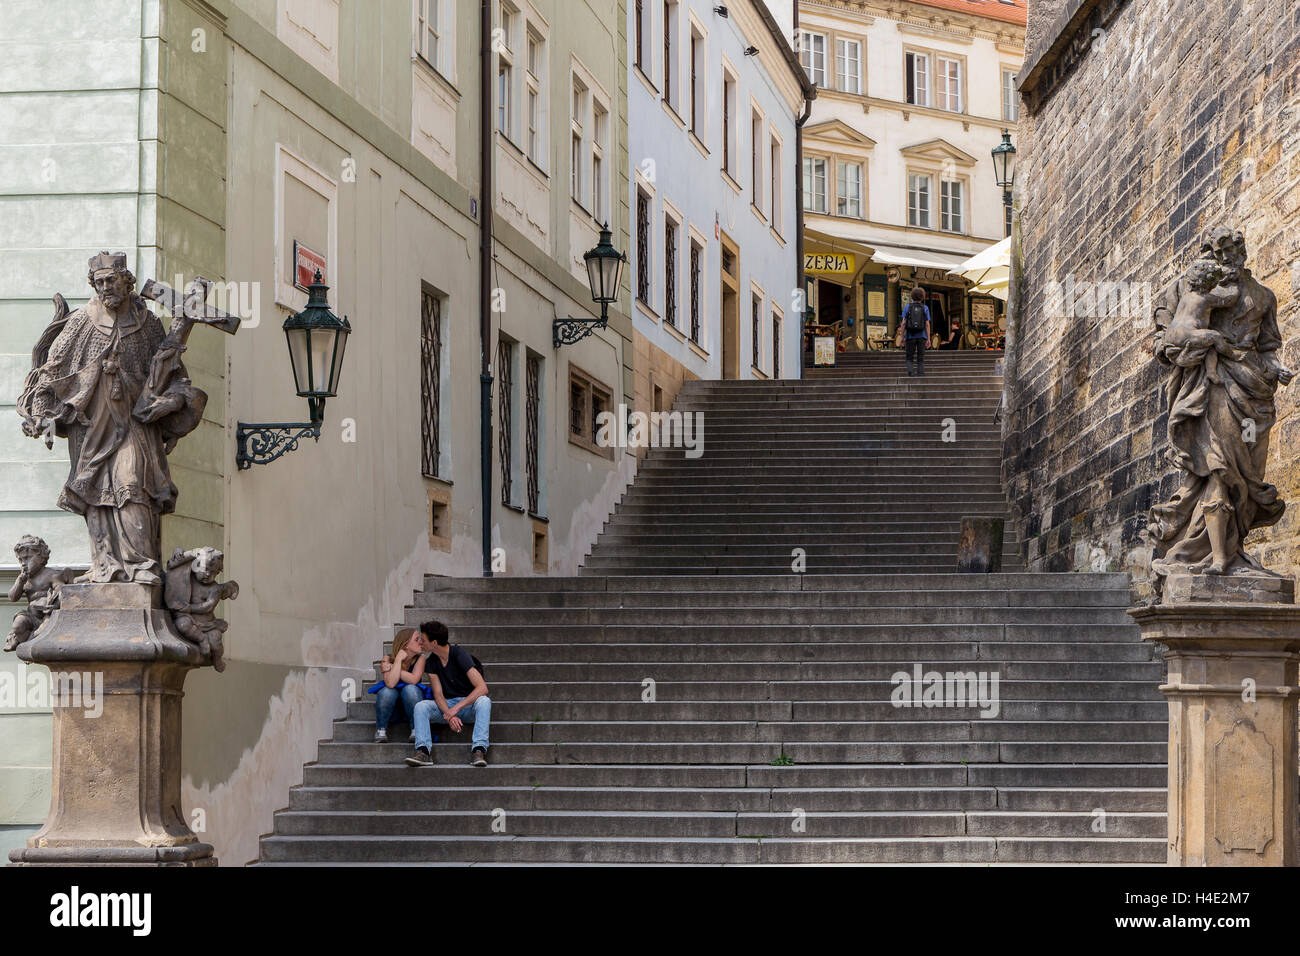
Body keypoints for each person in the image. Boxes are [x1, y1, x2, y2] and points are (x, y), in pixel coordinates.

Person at [404, 620, 492, 767]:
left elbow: (482, 688)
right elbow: (438, 694)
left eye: (423, 640)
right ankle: (423, 752)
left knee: (484, 701)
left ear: (434, 643)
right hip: (447, 705)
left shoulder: (459, 654)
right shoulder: (431, 662)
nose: (421, 643)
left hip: (468, 705)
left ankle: (479, 750)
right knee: (421, 706)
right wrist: (449, 714)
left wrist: (455, 710)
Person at [368, 627, 429, 743]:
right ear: (406, 644)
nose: (420, 642)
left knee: (410, 689)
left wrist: (394, 668)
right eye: (417, 639)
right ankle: (381, 729)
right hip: (391, 705)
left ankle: (417, 729)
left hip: (412, 702)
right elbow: (390, 683)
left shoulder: (421, 658)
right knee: (386, 691)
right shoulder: (387, 658)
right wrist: (398, 660)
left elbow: (414, 680)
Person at [901, 287, 931, 376]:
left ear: (912, 296)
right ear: (922, 296)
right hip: (922, 336)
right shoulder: (925, 308)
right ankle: (920, 374)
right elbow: (927, 324)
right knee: (920, 357)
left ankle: (911, 372)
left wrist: (902, 337)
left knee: (909, 357)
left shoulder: (907, 307)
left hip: (910, 335)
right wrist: (928, 338)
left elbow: (903, 323)